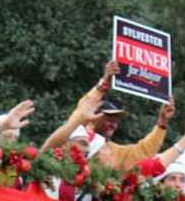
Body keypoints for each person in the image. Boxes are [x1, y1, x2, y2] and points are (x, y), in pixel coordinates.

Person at [43, 61, 175, 171]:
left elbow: (143, 152)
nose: (113, 124)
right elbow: (82, 110)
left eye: (116, 121)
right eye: (108, 119)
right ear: (92, 116)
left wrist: (162, 123)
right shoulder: (72, 134)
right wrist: (104, 82)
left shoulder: (114, 152)